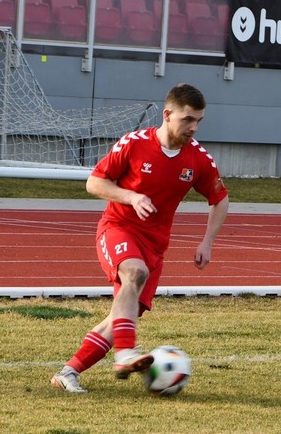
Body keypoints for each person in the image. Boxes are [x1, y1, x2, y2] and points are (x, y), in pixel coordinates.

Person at [50, 84, 230, 394]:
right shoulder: (133, 144)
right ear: (167, 114)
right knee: (134, 273)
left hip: (155, 246)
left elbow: (220, 199)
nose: (194, 127)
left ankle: (68, 372)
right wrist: (130, 196)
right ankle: (125, 354)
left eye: (199, 120)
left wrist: (207, 242)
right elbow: (95, 182)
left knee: (123, 313)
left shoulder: (198, 159)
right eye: (188, 119)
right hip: (118, 228)